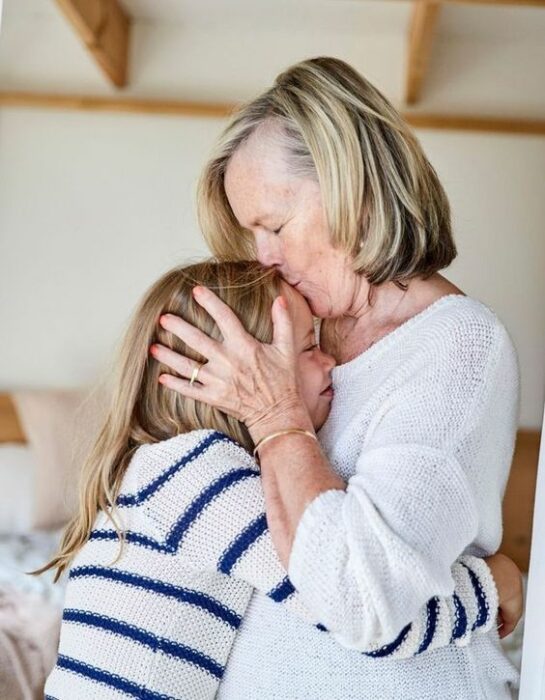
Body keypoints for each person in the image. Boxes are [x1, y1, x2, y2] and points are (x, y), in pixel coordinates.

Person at [153, 57, 523, 698]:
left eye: (274, 224)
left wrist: (277, 422)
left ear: (353, 184)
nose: (262, 256)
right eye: (251, 233)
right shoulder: (297, 331)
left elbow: (361, 599)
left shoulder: (459, 346)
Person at [40, 261, 508, 700]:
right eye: (308, 347)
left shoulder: (159, 469)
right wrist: (492, 585)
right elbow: (358, 608)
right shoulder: (201, 474)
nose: (331, 364)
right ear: (236, 370)